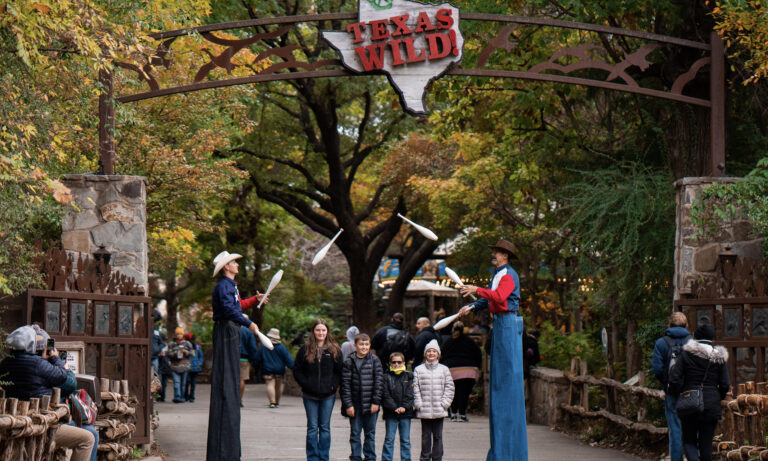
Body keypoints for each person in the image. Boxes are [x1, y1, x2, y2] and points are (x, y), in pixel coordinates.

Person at [459, 238, 527, 460]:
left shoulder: (508, 275)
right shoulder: (497, 274)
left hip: (507, 323)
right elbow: (489, 299)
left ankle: (507, 452)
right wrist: (471, 306)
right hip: (500, 322)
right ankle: (500, 450)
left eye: (497, 252)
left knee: (505, 383)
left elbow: (498, 296)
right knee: (499, 383)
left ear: (505, 255)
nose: (494, 254)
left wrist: (475, 289)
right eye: (495, 251)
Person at [206, 250, 268, 461]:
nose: (237, 265)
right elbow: (229, 310)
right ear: (226, 267)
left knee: (231, 383)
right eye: (234, 262)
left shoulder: (231, 286)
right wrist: (248, 323)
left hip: (231, 331)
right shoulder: (224, 286)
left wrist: (253, 301)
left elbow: (236, 306)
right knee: (226, 382)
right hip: (226, 332)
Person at [0, 325, 95, 461]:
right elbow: (63, 376)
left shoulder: (5, 364)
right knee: (88, 438)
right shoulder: (37, 363)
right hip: (40, 425)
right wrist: (55, 358)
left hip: (16, 423)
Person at [668, 324, 729, 461]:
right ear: (711, 337)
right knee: (706, 443)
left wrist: (680, 392)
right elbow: (725, 383)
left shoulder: (686, 355)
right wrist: (717, 397)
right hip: (711, 403)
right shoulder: (719, 357)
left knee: (689, 441)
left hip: (689, 401)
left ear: (695, 336)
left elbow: (674, 378)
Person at [293, 318, 344, 461]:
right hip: (310, 395)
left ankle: (324, 457)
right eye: (318, 330)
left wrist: (333, 386)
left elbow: (339, 371)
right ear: (313, 332)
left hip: (328, 395)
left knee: (325, 427)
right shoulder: (305, 349)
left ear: (327, 332)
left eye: (323, 330)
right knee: (312, 427)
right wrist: (306, 384)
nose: (320, 333)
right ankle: (312, 457)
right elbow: (297, 370)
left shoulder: (334, 350)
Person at [651, 312, 691, 461]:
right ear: (686, 325)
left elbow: (657, 369)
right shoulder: (693, 342)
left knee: (675, 429)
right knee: (692, 428)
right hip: (690, 391)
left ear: (669, 325)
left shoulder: (661, 343)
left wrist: (666, 383)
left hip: (672, 392)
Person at [341, 333, 383, 461]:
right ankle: (355, 457)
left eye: (366, 344)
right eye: (361, 344)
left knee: (370, 433)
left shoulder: (374, 360)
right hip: (355, 405)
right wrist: (348, 405)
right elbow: (345, 384)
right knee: (355, 433)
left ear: (369, 345)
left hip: (371, 404)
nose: (364, 347)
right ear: (355, 345)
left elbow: (379, 382)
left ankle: (370, 457)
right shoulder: (349, 361)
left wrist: (376, 402)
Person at [413, 339, 454, 461]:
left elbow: (450, 387)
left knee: (438, 436)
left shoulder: (444, 369)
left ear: (438, 354)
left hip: (439, 408)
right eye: (429, 351)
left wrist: (445, 403)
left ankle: (437, 458)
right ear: (425, 354)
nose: (431, 353)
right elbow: (415, 388)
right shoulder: (418, 370)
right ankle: (424, 458)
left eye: (434, 351)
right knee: (425, 436)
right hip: (424, 409)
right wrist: (418, 403)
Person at [440, 321, 482, 422]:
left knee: (453, 392)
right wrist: (478, 367)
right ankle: (462, 414)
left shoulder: (448, 341)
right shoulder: (469, 341)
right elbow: (478, 353)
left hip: (452, 370)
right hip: (469, 370)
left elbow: (441, 354)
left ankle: (453, 414)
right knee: (464, 393)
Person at [381, 351, 414, 461]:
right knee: (389, 439)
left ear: (404, 363)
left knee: (405, 440)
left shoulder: (409, 376)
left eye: (399, 362)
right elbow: (385, 395)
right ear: (390, 363)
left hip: (406, 412)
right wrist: (394, 407)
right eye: (394, 362)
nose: (396, 364)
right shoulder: (385, 377)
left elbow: (411, 394)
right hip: (391, 412)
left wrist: (404, 406)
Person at [253, 328, 295, 408]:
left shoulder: (264, 346)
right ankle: (277, 402)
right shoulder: (282, 347)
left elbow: (257, 358)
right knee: (279, 386)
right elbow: (288, 359)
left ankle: (272, 402)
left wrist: (255, 365)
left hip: (268, 369)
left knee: (270, 384)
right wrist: (292, 366)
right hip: (280, 370)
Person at [168, 327, 193, 403]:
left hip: (185, 366)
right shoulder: (172, 344)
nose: (179, 335)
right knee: (176, 382)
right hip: (175, 366)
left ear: (183, 335)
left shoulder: (188, 344)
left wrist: (186, 352)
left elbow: (192, 353)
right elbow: (168, 353)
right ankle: (177, 396)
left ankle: (182, 397)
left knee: (183, 383)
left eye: (180, 334)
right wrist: (176, 352)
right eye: (178, 334)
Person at [240, 317, 261, 407]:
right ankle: (239, 399)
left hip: (231, 358)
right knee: (241, 379)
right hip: (244, 359)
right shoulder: (248, 332)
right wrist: (253, 360)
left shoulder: (233, 329)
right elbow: (252, 347)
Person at [185, 333, 204, 403]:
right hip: (187, 367)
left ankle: (192, 396)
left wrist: (199, 363)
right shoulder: (185, 347)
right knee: (187, 382)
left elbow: (201, 356)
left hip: (195, 368)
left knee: (193, 383)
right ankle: (186, 395)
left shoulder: (197, 347)